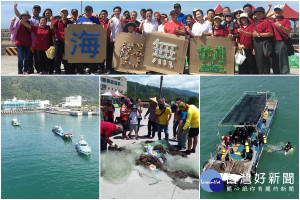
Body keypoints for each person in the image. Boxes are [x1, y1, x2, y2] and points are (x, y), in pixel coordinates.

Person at [14, 3, 41, 74]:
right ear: (32, 10)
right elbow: (18, 15)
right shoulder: (28, 19)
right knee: (23, 58)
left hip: (34, 41)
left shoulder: (40, 19)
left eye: (38, 10)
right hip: (22, 42)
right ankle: (24, 70)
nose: (36, 11)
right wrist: (15, 7)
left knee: (33, 57)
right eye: (35, 9)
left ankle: (34, 69)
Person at [50, 8, 73, 74]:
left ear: (67, 14)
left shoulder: (70, 22)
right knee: (57, 58)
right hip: (59, 42)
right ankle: (57, 71)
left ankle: (67, 71)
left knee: (66, 57)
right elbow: (51, 27)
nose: (64, 14)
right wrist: (52, 21)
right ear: (60, 14)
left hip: (67, 42)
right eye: (62, 13)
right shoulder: (57, 21)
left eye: (65, 13)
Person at [10, 10, 33, 75]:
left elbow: (33, 32)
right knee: (20, 58)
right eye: (23, 15)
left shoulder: (30, 23)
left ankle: (25, 70)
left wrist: (33, 43)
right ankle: (20, 71)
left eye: (26, 15)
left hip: (28, 43)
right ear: (21, 16)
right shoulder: (18, 23)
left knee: (27, 58)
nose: (25, 17)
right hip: (19, 43)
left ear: (28, 16)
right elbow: (11, 30)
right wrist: (12, 22)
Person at [252, 7, 273, 74]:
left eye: (260, 13)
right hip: (257, 44)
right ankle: (261, 76)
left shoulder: (266, 22)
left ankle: (265, 77)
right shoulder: (256, 22)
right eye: (257, 13)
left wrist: (258, 34)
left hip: (263, 43)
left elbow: (270, 33)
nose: (258, 15)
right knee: (259, 62)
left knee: (264, 63)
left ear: (264, 14)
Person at [271, 5, 292, 74]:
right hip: (273, 43)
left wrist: (280, 26)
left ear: (282, 12)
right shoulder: (271, 21)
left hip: (282, 42)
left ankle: (285, 76)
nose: (277, 11)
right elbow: (264, 15)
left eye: (279, 10)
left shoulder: (286, 21)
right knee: (275, 61)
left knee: (283, 61)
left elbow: (288, 31)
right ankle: (276, 76)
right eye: (276, 10)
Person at [107, 6, 123, 73]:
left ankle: (118, 68)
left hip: (121, 40)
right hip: (113, 39)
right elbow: (108, 29)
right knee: (112, 55)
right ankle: (111, 69)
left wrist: (122, 21)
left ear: (120, 12)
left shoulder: (121, 19)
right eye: (116, 11)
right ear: (114, 12)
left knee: (120, 55)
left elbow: (123, 27)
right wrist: (109, 22)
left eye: (118, 11)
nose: (117, 12)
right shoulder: (112, 19)